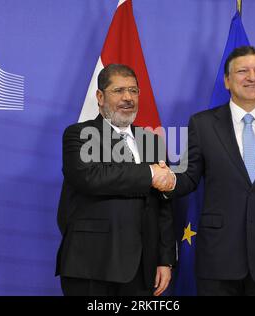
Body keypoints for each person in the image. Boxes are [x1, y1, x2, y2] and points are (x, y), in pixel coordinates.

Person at [154, 46, 255, 296]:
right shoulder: (203, 124)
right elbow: (189, 176)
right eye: (243, 71)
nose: (252, 77)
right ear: (227, 80)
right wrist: (168, 180)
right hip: (218, 257)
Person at [55, 64, 176, 296]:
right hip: (91, 265)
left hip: (142, 269)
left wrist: (165, 259)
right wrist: (150, 174)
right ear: (100, 97)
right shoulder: (78, 135)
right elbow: (91, 177)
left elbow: (164, 206)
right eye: (119, 90)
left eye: (133, 91)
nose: (128, 97)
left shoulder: (152, 141)